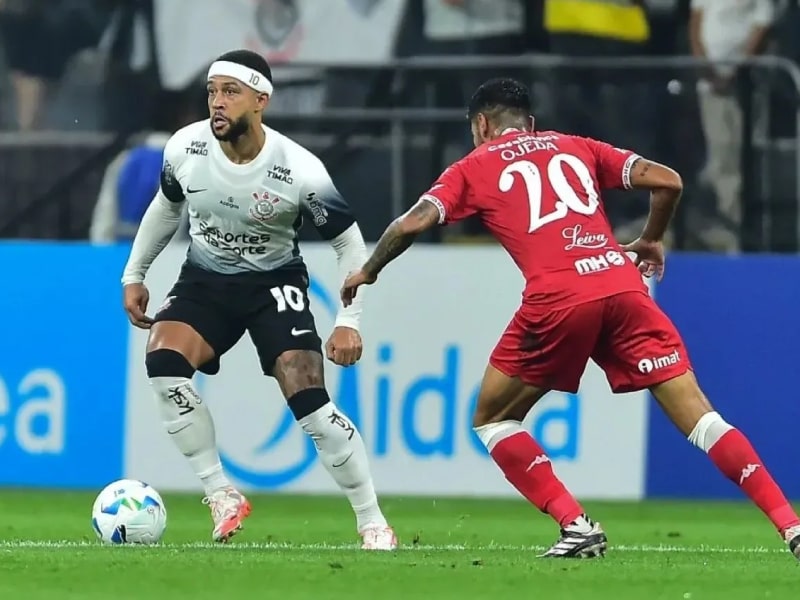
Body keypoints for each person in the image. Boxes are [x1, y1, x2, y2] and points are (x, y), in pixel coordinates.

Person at [341, 77, 800, 559]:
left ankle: (575, 524)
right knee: (703, 419)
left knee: (492, 417)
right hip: (623, 286)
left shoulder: (473, 165)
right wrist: (650, 238)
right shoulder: (576, 146)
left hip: (559, 297)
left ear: (481, 125)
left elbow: (413, 221)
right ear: (530, 122)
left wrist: (368, 270)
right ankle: (790, 525)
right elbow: (669, 181)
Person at [121, 49, 397, 550]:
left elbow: (349, 243)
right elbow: (166, 209)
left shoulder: (299, 169)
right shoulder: (186, 147)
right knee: (162, 360)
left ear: (261, 100)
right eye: (212, 92)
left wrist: (350, 320)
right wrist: (135, 273)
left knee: (309, 398)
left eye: (230, 92)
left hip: (275, 283)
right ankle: (220, 492)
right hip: (204, 280)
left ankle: (372, 520)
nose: (217, 103)